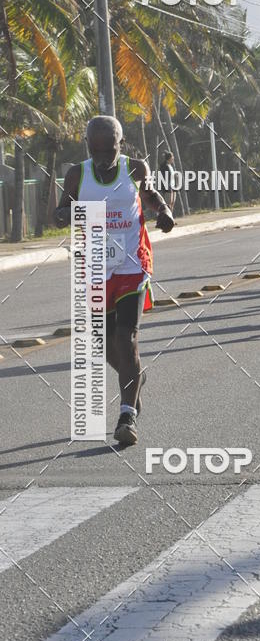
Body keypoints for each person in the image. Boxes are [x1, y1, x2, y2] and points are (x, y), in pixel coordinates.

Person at [54, 115, 175, 446]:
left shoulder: (134, 168)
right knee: (103, 343)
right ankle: (135, 376)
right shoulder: (77, 173)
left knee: (127, 337)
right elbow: (61, 210)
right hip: (94, 267)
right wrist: (65, 214)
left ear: (120, 144)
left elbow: (150, 196)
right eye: (97, 149)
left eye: (110, 149)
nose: (104, 156)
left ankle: (127, 416)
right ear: (88, 146)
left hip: (132, 264)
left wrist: (163, 211)